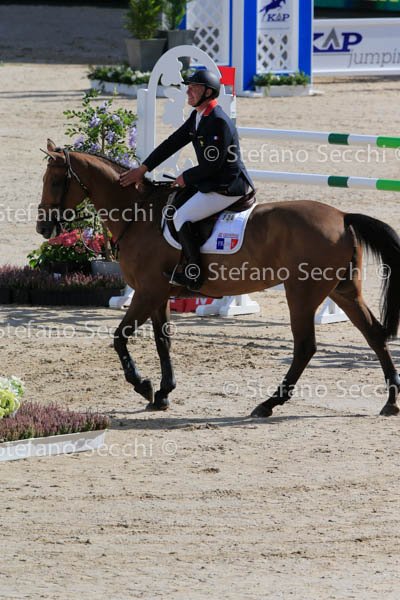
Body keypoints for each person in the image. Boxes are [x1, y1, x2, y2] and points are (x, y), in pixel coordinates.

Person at [120, 69, 254, 290]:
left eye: (194, 88)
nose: (188, 92)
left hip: (228, 186)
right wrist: (143, 168)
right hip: (211, 181)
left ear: (208, 92)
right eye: (188, 87)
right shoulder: (198, 116)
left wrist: (186, 177)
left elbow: (213, 164)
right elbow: (172, 143)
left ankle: (194, 273)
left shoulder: (218, 121)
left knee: (182, 216)